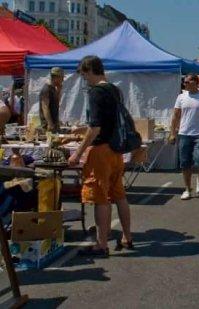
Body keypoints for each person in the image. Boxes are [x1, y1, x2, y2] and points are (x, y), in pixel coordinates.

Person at [68, 56, 133, 257]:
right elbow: (108, 121)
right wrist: (84, 128)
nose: (84, 79)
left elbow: (96, 128)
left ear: (89, 70)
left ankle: (101, 244)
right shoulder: (115, 90)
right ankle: (127, 237)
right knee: (119, 195)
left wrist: (77, 153)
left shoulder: (96, 92)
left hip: (101, 150)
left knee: (100, 197)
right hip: (116, 150)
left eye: (83, 74)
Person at [169, 74, 199, 200]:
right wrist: (172, 133)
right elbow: (175, 116)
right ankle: (187, 189)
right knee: (185, 163)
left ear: (195, 82)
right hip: (184, 134)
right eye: (184, 82)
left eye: (187, 81)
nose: (184, 83)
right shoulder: (181, 97)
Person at [40, 67, 64, 133]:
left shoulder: (53, 89)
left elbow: (56, 103)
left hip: (54, 124)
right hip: (48, 126)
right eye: (62, 77)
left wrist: (59, 91)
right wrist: (50, 124)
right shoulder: (47, 89)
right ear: (56, 77)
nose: (63, 80)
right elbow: (45, 107)